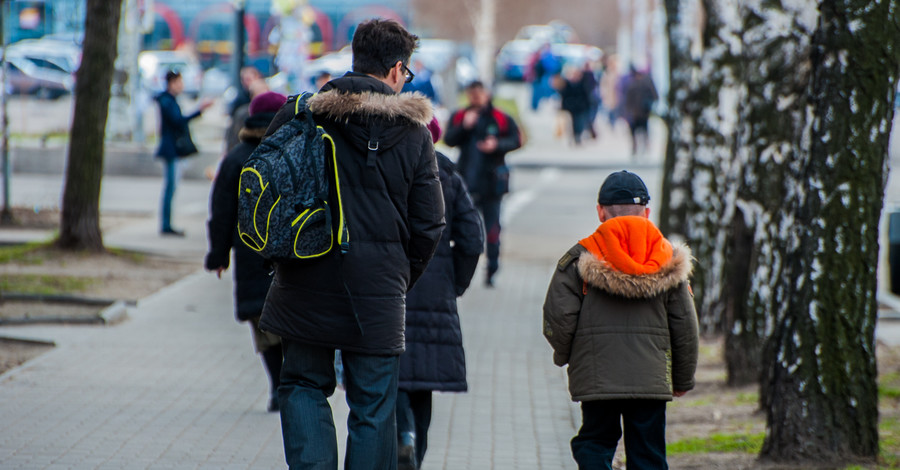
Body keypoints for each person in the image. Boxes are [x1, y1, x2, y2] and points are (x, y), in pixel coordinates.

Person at [259, 19, 446, 470]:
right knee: (373, 406)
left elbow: (265, 194)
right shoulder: (416, 136)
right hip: (378, 290)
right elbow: (430, 224)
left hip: (303, 278)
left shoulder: (302, 114)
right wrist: (398, 276)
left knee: (302, 383)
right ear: (398, 69)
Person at [542, 170, 699, 469]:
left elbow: (558, 316)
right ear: (647, 213)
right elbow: (685, 326)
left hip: (597, 374)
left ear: (600, 211)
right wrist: (682, 378)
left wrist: (566, 356)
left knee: (595, 443)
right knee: (648, 453)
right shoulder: (669, 258)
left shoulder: (579, 258)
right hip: (650, 380)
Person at [396, 118, 484, 470]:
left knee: (394, 374)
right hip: (434, 290)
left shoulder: (387, 168)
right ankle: (414, 448)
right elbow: (473, 238)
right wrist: (455, 282)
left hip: (390, 286)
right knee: (423, 382)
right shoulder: (448, 175)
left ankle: (402, 436)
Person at [205, 91, 287, 413]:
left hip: (252, 254)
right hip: (292, 255)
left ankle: (278, 386)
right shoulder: (294, 154)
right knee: (290, 323)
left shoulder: (238, 157)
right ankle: (290, 386)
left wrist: (219, 254)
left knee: (263, 324)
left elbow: (221, 210)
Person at [444, 81, 522, 287]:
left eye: (480, 93)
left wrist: (497, 145)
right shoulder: (461, 116)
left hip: (492, 183)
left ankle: (492, 269)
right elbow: (449, 139)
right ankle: (457, 269)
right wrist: (464, 126)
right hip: (465, 183)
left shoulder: (500, 117)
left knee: (493, 229)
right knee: (460, 228)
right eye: (473, 94)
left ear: (487, 94)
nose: (476, 97)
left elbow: (517, 140)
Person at [155, 69, 212, 236]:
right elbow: (178, 121)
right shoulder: (167, 101)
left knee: (171, 187)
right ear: (172, 83)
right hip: (171, 150)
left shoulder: (169, 100)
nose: (182, 86)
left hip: (173, 149)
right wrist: (199, 110)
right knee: (170, 188)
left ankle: (167, 224)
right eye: (179, 82)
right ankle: (166, 225)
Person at [622, 66, 659, 156]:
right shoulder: (641, 84)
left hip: (640, 112)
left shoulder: (637, 85)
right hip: (639, 113)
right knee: (639, 131)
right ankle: (639, 147)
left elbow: (628, 100)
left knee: (639, 130)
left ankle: (641, 146)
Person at [556, 66, 591, 145]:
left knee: (579, 123)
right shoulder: (566, 84)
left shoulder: (582, 83)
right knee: (569, 124)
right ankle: (571, 136)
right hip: (569, 107)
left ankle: (577, 136)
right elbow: (562, 95)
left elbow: (586, 95)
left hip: (580, 107)